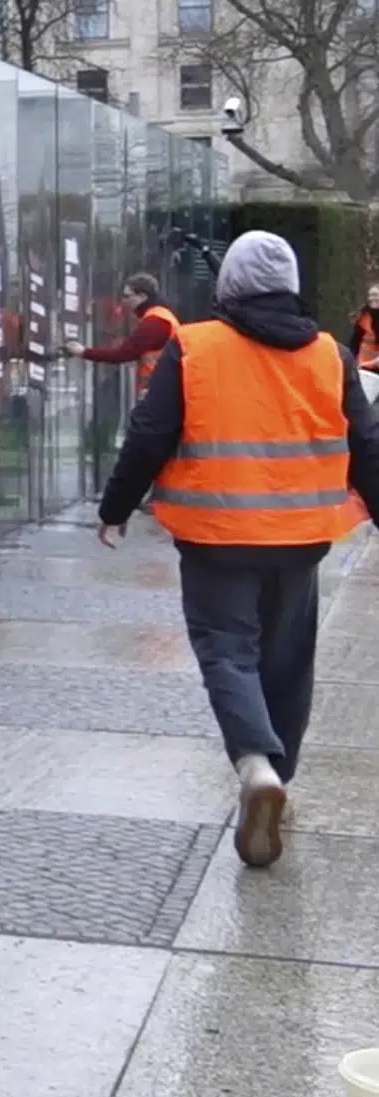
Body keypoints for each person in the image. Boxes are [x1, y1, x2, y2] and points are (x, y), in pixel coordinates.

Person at [96, 231, 379, 868]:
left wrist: (115, 508)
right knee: (287, 661)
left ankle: (255, 768)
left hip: (215, 535)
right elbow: (367, 444)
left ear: (228, 286)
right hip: (301, 537)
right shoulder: (330, 355)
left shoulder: (194, 346)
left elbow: (150, 433)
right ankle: (281, 773)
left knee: (227, 651)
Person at [70, 272, 180, 399]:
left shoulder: (155, 322)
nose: (123, 301)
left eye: (127, 296)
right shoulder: (160, 316)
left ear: (142, 297)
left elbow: (122, 354)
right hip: (160, 388)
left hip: (159, 391)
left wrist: (83, 352)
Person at [350, 284, 379, 375]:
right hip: (363, 368)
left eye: (375, 295)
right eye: (369, 295)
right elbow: (354, 342)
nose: (371, 298)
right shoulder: (364, 315)